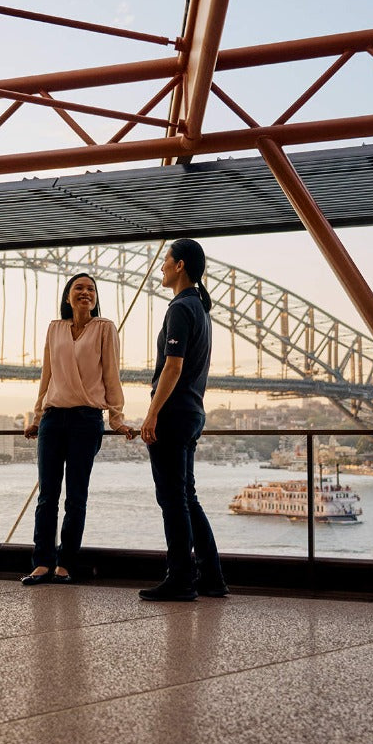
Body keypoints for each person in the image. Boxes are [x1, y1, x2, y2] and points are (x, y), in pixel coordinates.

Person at [22, 273, 134, 585]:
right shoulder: (54, 328)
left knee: (76, 497)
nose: (85, 293)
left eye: (91, 289)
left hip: (86, 420)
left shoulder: (104, 328)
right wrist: (36, 416)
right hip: (53, 419)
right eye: (78, 288)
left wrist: (116, 418)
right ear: (68, 297)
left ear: (96, 298)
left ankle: (65, 564)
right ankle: (41, 563)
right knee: (47, 496)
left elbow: (112, 375)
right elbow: (46, 376)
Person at [138, 239, 227, 601]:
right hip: (193, 411)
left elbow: (172, 368)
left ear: (180, 266)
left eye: (165, 261)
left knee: (172, 499)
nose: (161, 267)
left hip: (173, 414)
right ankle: (211, 575)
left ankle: (181, 579)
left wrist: (152, 413)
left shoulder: (180, 308)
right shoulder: (201, 310)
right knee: (187, 497)